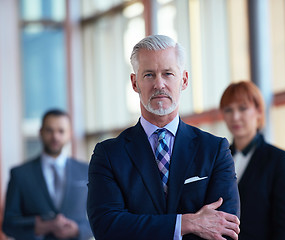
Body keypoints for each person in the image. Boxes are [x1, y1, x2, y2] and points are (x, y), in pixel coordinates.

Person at [87, 35, 240, 240]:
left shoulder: (214, 150)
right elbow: (107, 228)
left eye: (168, 73)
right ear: (135, 83)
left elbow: (225, 229)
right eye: (149, 75)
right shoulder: (108, 155)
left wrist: (140, 226)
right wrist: (186, 223)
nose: (159, 84)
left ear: (184, 80)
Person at [219, 81, 285, 240]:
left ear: (259, 111)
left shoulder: (279, 160)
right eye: (228, 110)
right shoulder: (218, 157)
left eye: (242, 108)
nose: (235, 117)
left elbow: (283, 226)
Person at [2, 109, 93, 240]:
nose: (55, 136)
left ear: (69, 134)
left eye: (61, 131)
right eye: (49, 130)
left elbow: (102, 217)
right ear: (40, 132)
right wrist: (39, 226)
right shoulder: (20, 174)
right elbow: (8, 224)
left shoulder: (86, 170)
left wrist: (78, 230)